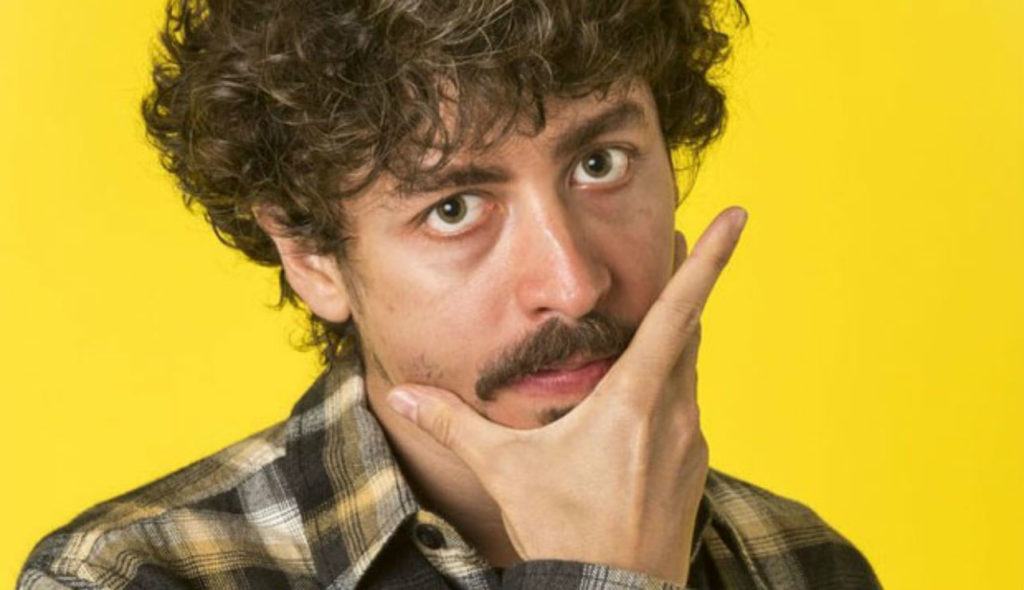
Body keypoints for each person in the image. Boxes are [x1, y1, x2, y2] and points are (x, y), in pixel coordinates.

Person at [19, 1, 882, 588]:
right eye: (454, 209)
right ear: (312, 257)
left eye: (600, 164)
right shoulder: (127, 575)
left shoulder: (799, 562)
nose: (573, 284)